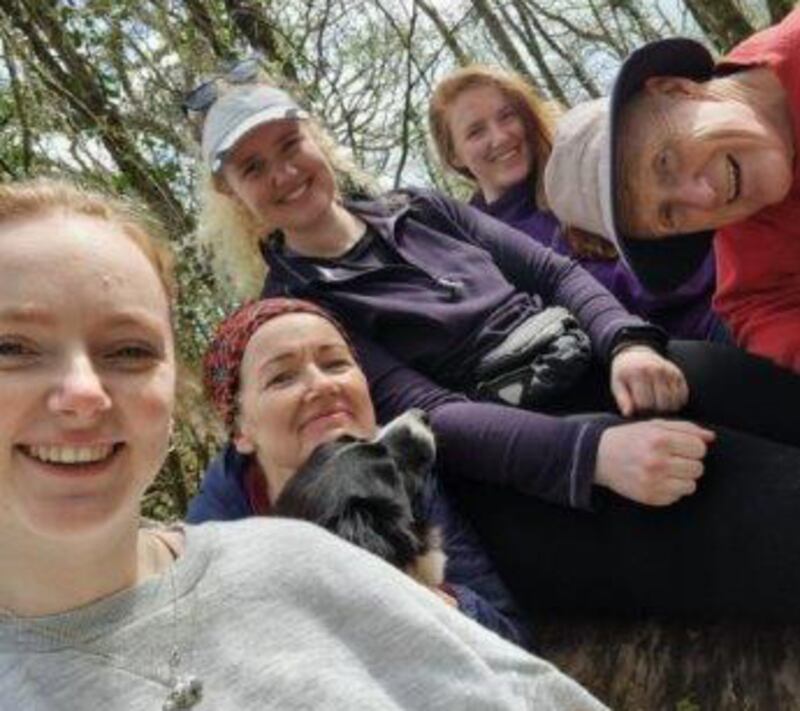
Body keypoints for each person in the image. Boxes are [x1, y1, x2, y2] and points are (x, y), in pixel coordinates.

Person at [188, 74, 800, 624]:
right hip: (523, 454)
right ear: (234, 195)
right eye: (253, 167)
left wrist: (625, 343)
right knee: (763, 503)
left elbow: (553, 272)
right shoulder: (300, 308)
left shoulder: (420, 208)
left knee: (760, 393)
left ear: (316, 140)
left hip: (587, 360)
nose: (285, 173)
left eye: (290, 145)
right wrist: (592, 454)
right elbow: (429, 413)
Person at [0, 178, 611, 711]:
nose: (83, 393)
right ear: (237, 427)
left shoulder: (332, 525)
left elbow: (509, 665)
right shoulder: (230, 514)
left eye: (128, 350)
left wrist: (420, 595)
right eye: (11, 348)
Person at [188, 297, 533, 648]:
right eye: (281, 378)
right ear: (240, 432)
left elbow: (511, 636)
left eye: (336, 363)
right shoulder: (214, 548)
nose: (322, 385)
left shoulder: (400, 466)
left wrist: (438, 603)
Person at [544, 8, 800, 373]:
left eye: (665, 162)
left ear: (676, 89)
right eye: (671, 215)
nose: (704, 198)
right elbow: (757, 307)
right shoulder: (747, 233)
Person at [428, 64, 728, 342]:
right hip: (674, 345)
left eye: (507, 116)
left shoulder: (582, 161)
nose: (501, 136)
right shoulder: (482, 248)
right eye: (476, 131)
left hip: (726, 279)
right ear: (454, 155)